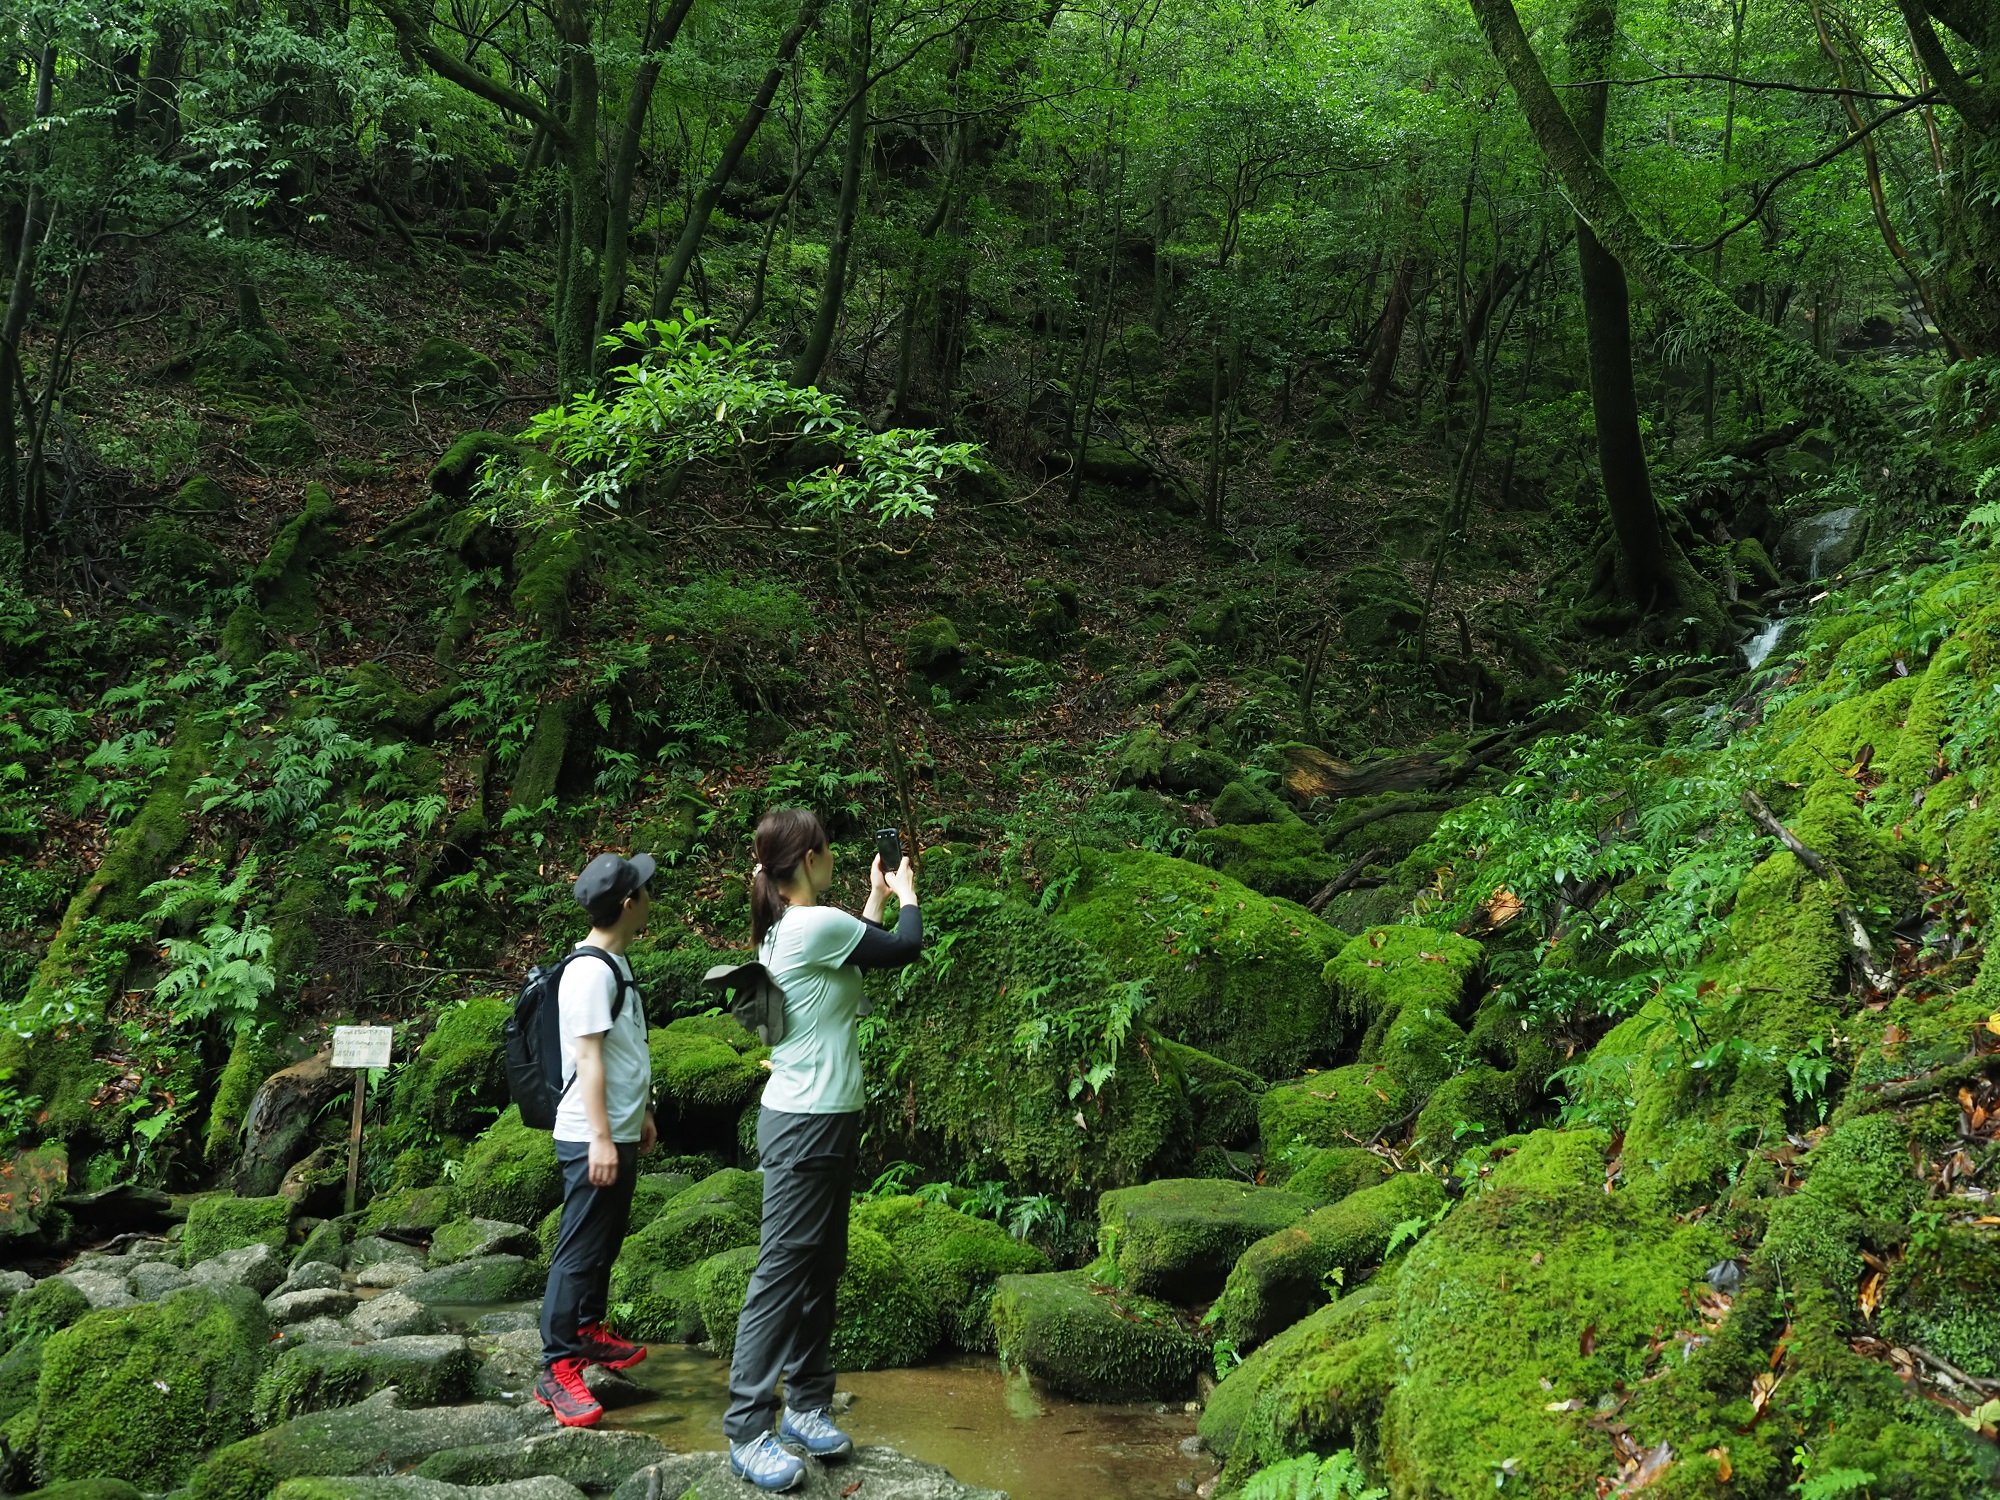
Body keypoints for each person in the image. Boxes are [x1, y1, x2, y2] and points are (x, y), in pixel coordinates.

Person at [725, 807, 922, 1492]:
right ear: (808, 858)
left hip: (823, 1119)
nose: (835, 855)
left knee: (819, 1270)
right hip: (807, 1124)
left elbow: (856, 939)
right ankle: (748, 1428)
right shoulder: (810, 926)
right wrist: (907, 894)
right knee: (782, 1273)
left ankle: (807, 1404)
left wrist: (872, 896)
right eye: (828, 848)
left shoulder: (789, 926)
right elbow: (902, 946)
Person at [533, 850, 660, 1428]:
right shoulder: (588, 972)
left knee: (602, 1244)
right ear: (628, 905)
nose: (651, 897)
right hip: (591, 1136)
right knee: (579, 1251)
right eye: (645, 890)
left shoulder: (617, 964)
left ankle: (587, 1332)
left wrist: (644, 1114)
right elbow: (586, 1059)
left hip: (617, 1130)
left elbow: (626, 1048)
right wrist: (605, 1139)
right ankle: (556, 1367)